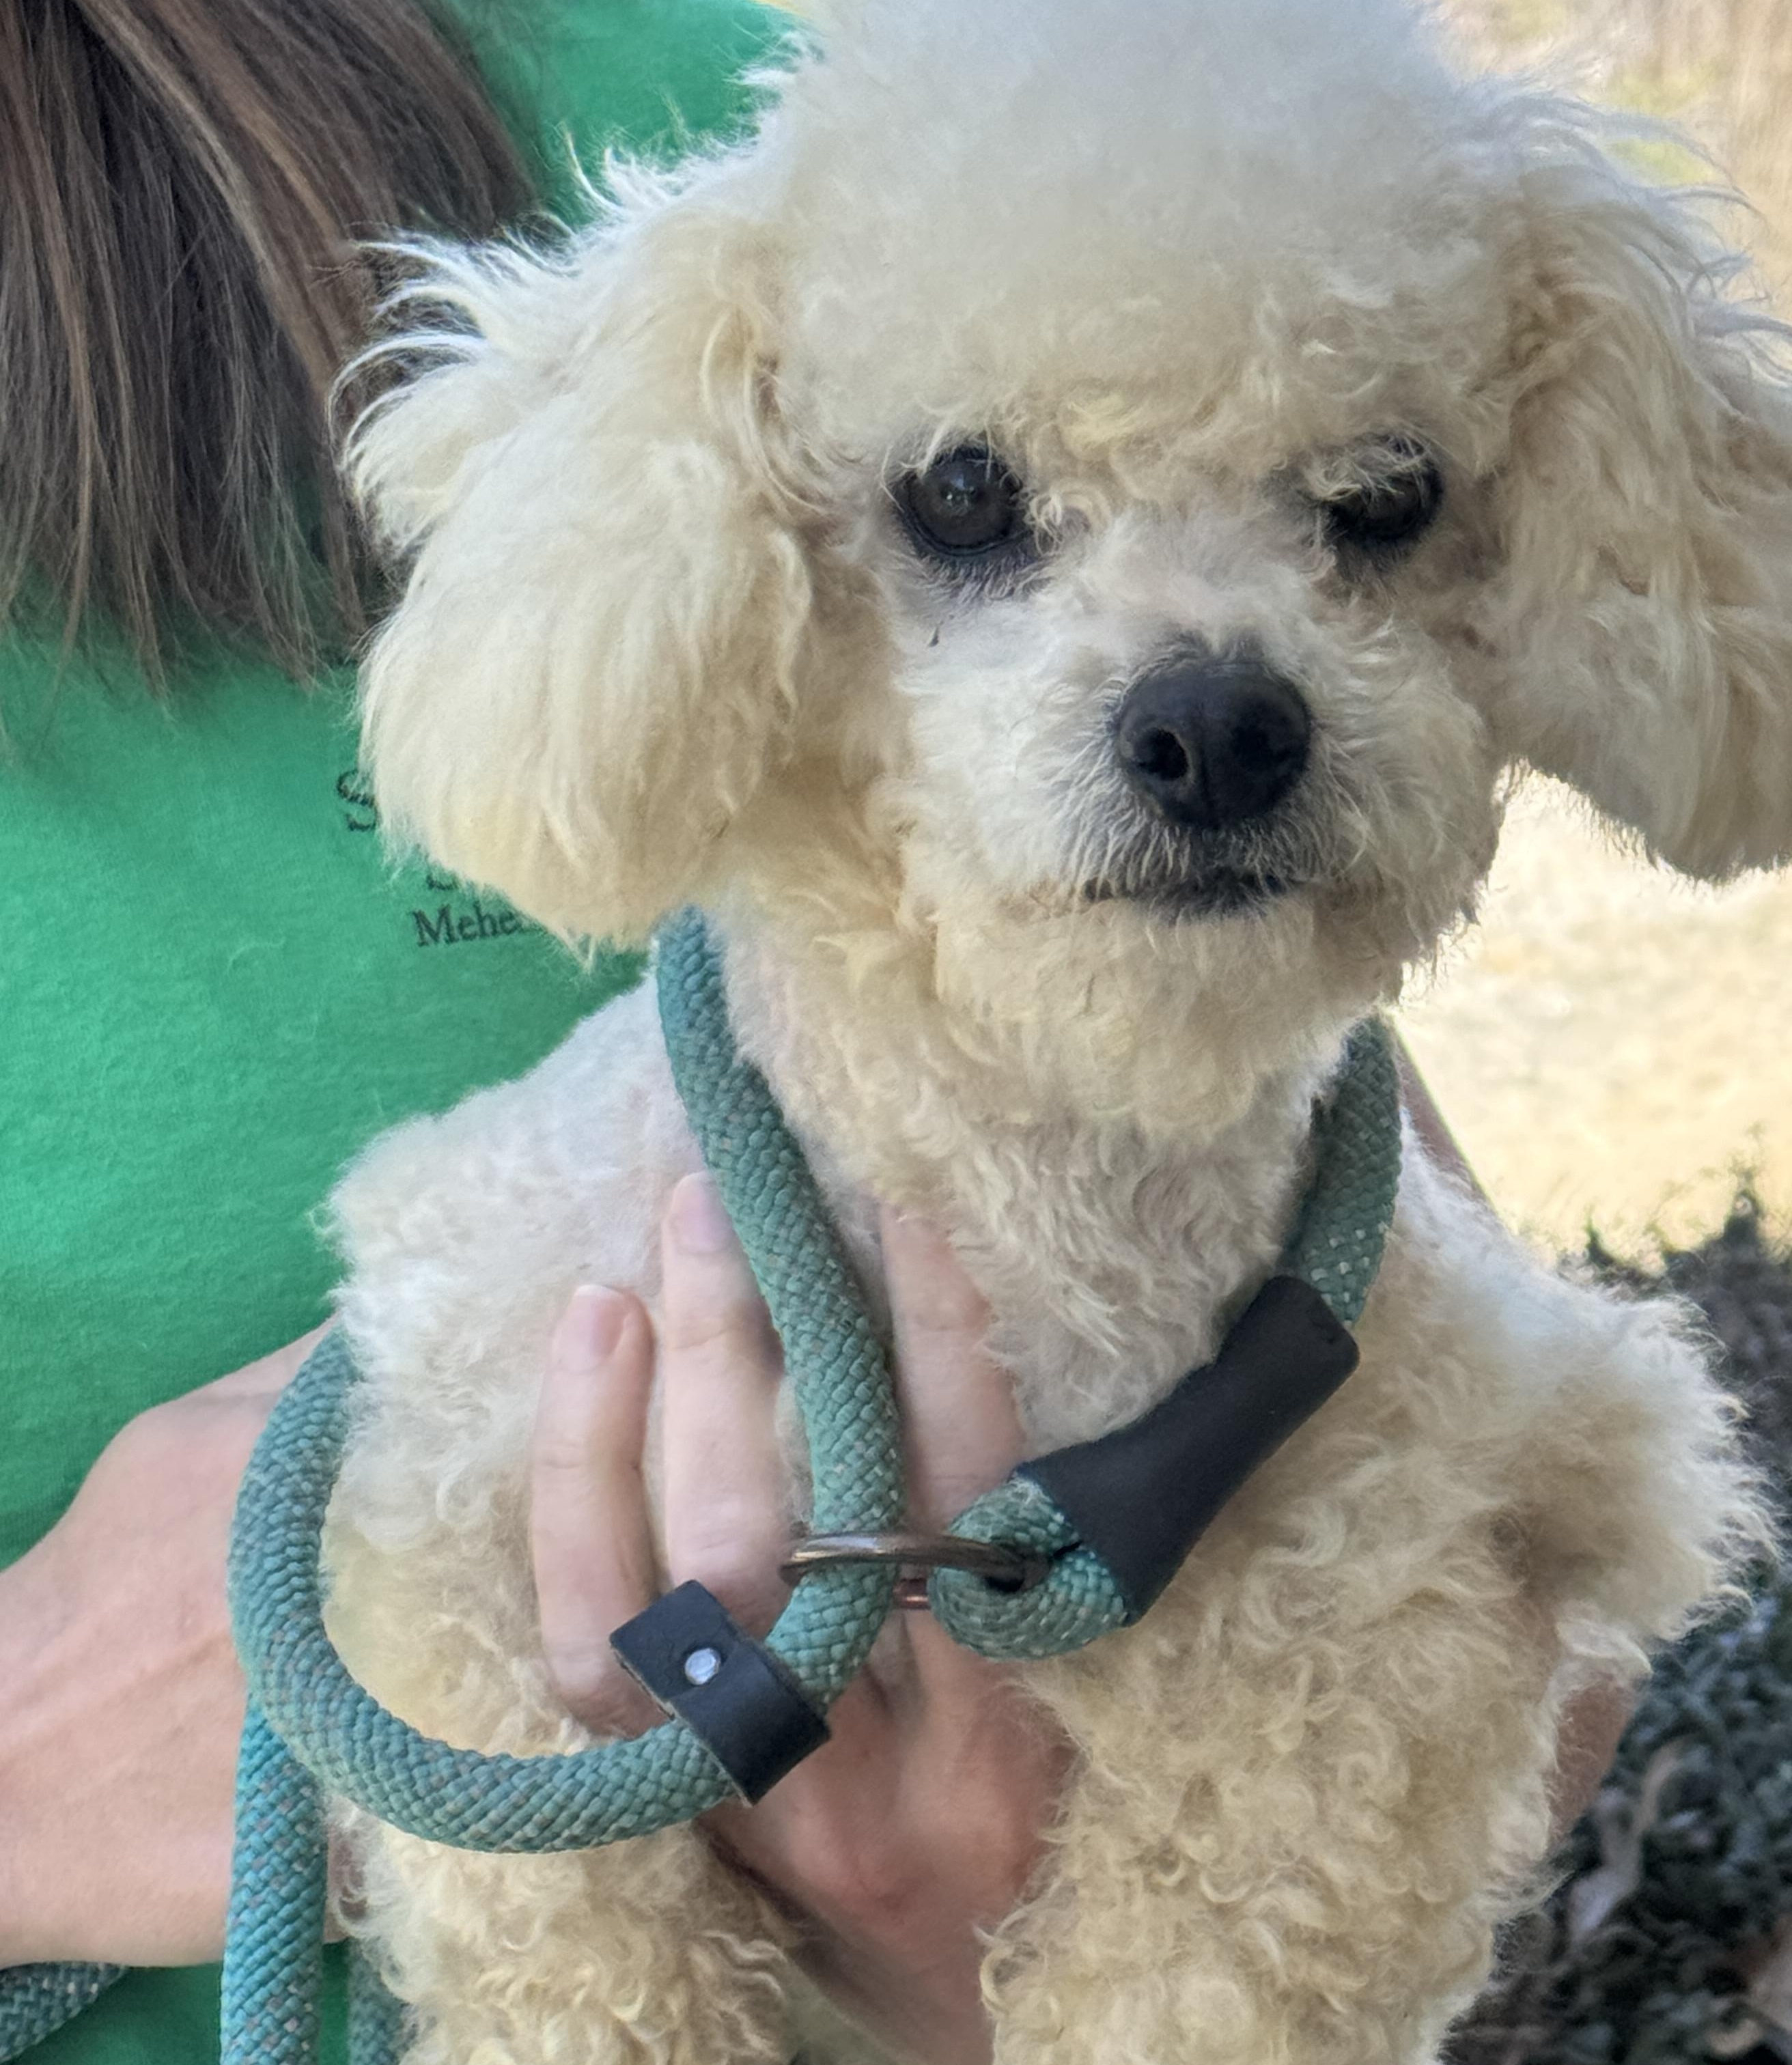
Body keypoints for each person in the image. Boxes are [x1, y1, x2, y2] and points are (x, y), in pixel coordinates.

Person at [0, 1, 1624, 2060]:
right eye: (971, 503)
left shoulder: (779, 120)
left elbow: (1461, 1469)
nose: (1209, 704)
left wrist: (991, 1955)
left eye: (1369, 502)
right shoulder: (784, 247)